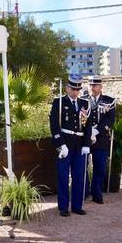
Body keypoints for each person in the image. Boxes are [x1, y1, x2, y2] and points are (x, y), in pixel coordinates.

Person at [49, 77, 91, 216]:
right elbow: (54, 125)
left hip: (79, 145)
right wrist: (61, 144)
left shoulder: (85, 103)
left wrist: (87, 144)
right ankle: (63, 207)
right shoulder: (59, 102)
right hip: (65, 144)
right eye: (73, 89)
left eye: (78, 89)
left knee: (79, 176)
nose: (75, 92)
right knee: (63, 176)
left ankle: (77, 206)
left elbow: (88, 126)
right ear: (67, 88)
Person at [84, 76, 115, 204]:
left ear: (101, 87)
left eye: (95, 85)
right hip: (85, 139)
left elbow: (110, 120)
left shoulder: (109, 101)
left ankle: (96, 193)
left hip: (101, 139)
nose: (92, 88)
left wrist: (96, 131)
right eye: (90, 85)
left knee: (100, 168)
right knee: (82, 167)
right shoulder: (82, 100)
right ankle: (84, 192)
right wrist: (88, 131)